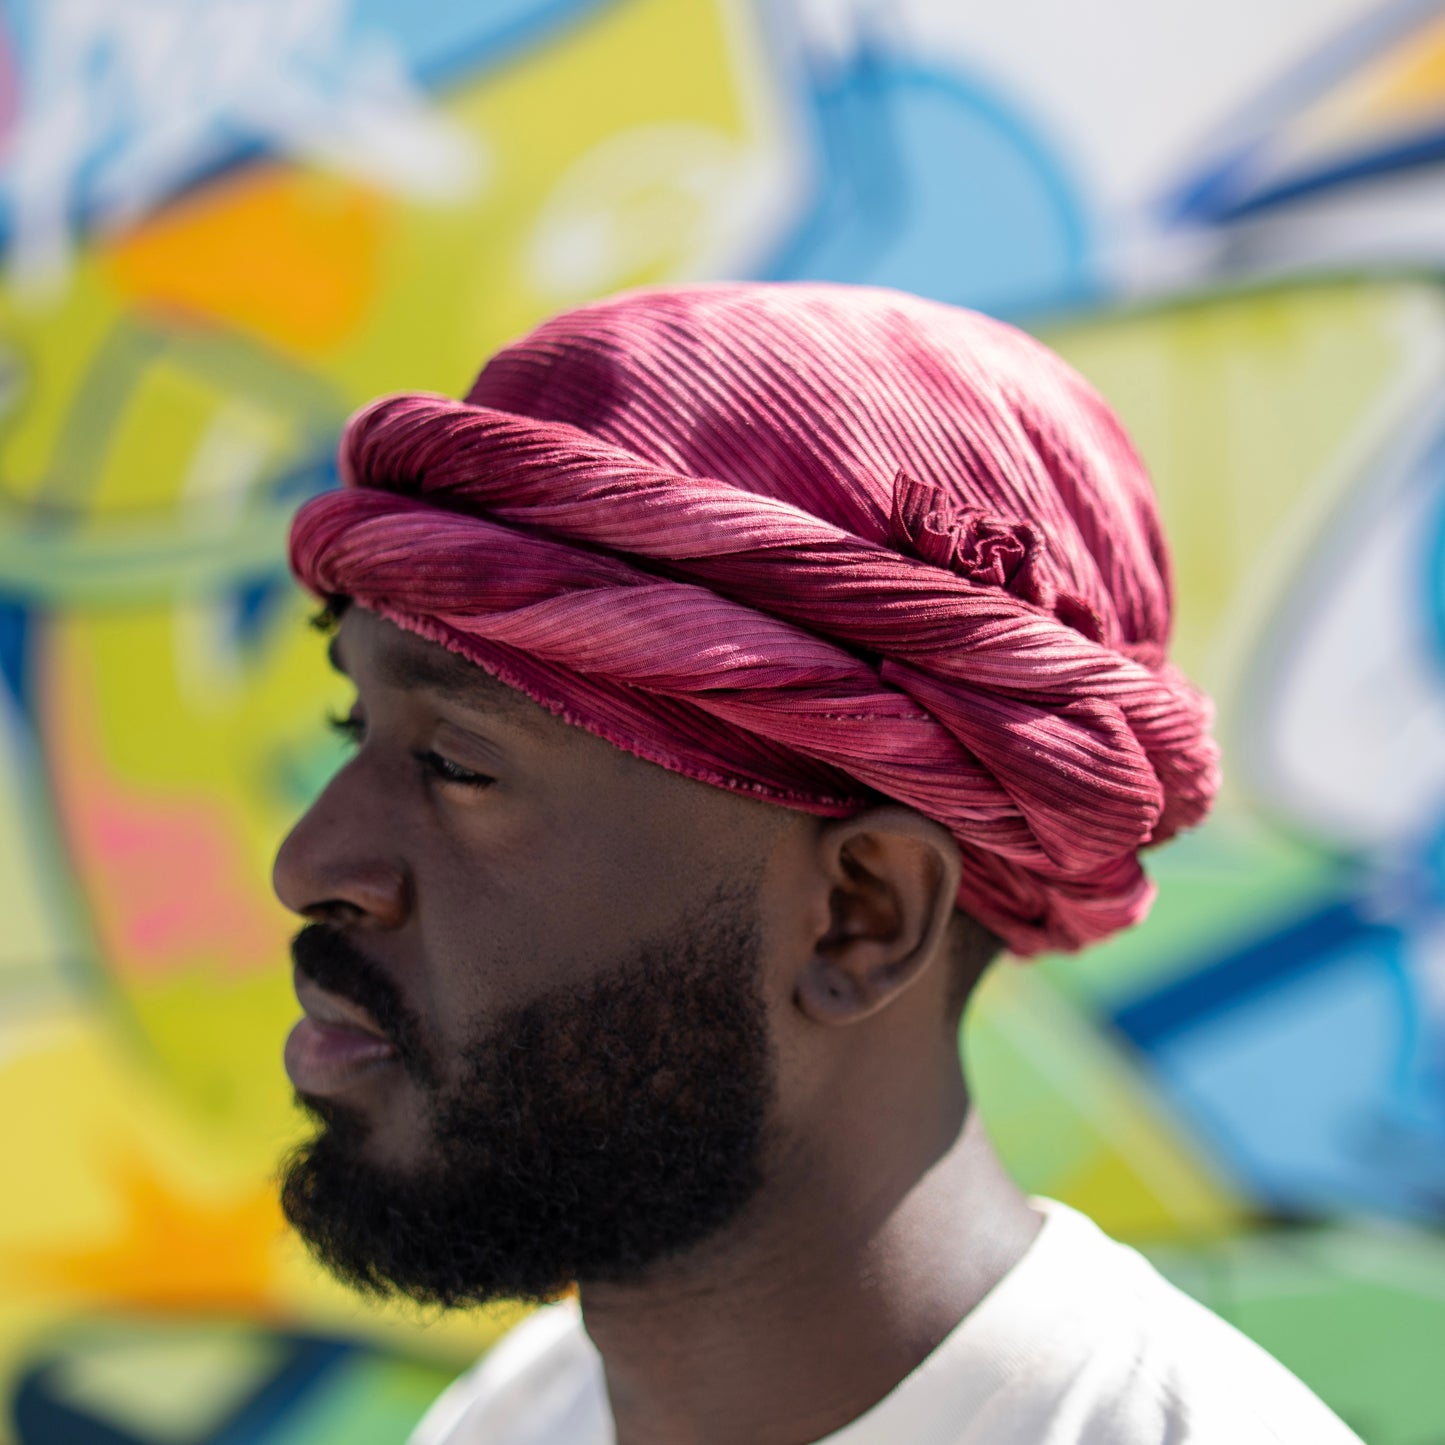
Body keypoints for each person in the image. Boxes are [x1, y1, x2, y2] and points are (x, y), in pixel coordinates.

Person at [272, 282, 1362, 1444]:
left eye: (455, 763)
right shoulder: (510, 1418)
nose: (310, 864)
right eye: (356, 730)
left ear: (860, 913)